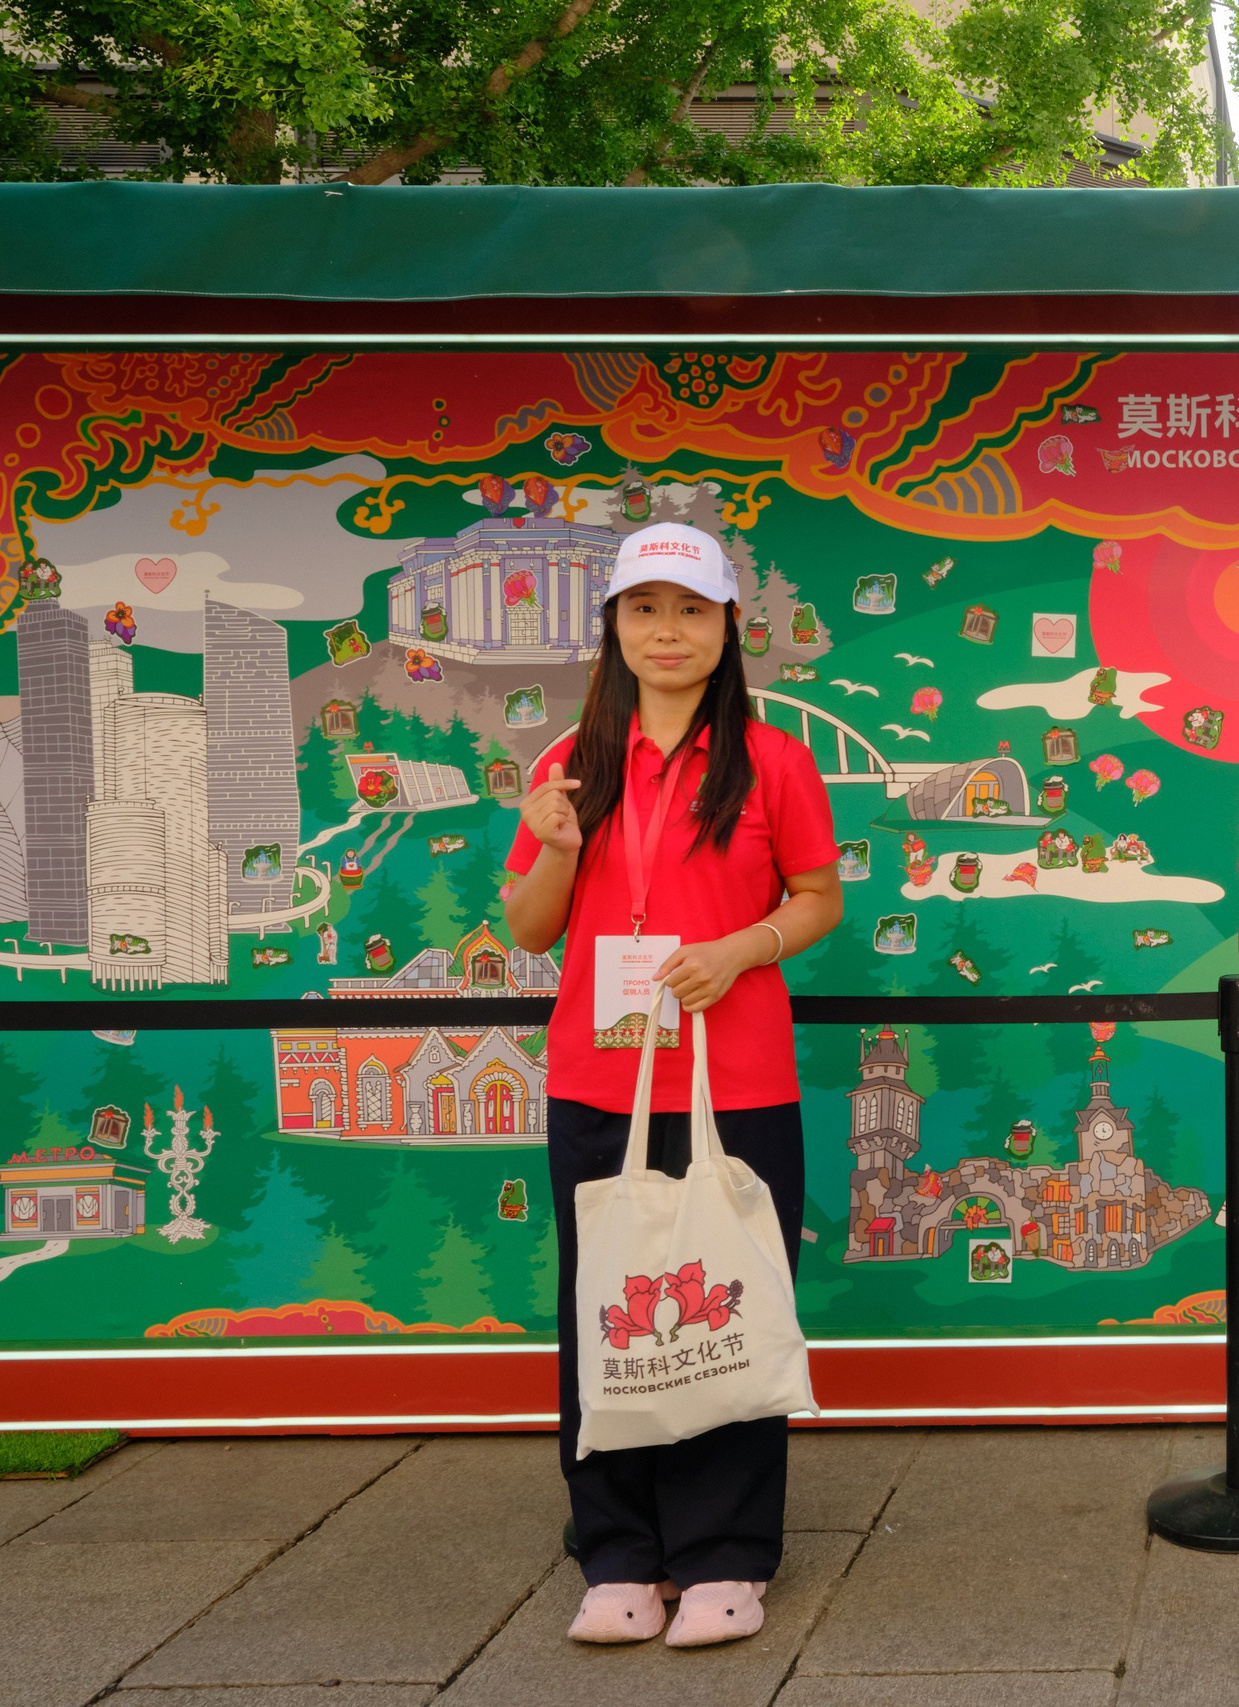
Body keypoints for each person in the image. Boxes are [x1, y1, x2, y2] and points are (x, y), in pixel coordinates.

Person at [505, 521, 844, 1648]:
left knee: (726, 1302)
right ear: (611, 625)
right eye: (644, 609)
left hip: (736, 1075)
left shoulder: (773, 760)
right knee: (608, 1307)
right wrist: (555, 845)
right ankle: (617, 1552)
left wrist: (742, 948)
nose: (667, 631)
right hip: (598, 1076)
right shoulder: (568, 765)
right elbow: (532, 928)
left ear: (728, 628)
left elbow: (816, 898)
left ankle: (725, 1555)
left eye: (690, 610)